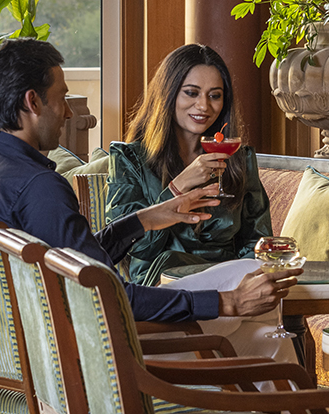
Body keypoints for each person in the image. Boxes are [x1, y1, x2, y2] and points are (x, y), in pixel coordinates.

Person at [0, 36, 296, 327]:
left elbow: (74, 263)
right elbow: (109, 295)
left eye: (214, 95)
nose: (67, 112)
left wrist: (145, 219)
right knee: (254, 307)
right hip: (85, 351)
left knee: (256, 308)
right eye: (62, 97)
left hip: (16, 341)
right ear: (32, 101)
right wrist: (228, 302)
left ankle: (256, 404)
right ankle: (267, 405)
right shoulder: (38, 187)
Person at [105, 43, 273, 285]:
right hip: (162, 288)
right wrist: (178, 187)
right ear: (168, 94)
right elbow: (134, 247)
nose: (204, 106)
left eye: (214, 95)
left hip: (227, 286)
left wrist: (241, 280)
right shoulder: (129, 159)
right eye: (191, 93)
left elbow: (258, 242)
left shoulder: (237, 159)